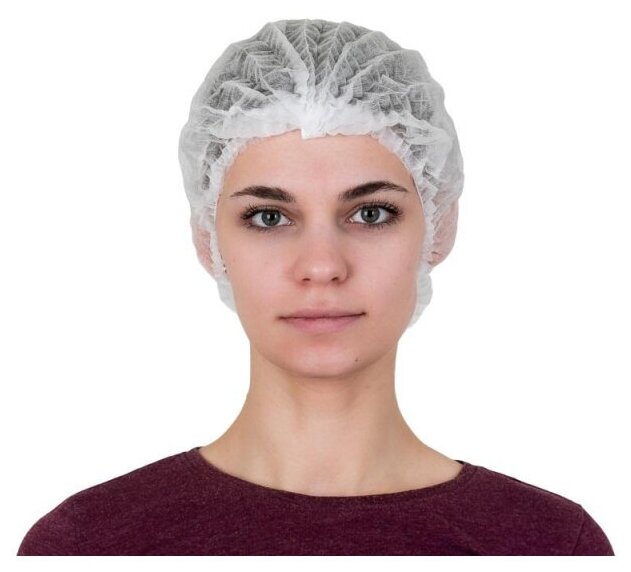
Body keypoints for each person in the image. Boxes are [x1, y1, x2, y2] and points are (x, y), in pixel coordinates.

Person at [17, 18, 614, 556]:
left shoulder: (550, 545)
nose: (322, 266)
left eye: (371, 213)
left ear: (437, 227)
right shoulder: (86, 546)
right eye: (269, 217)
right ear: (208, 240)